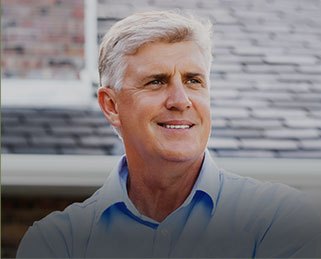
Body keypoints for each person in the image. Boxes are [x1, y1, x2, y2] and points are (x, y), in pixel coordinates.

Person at [17, 10, 321, 258]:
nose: (180, 100)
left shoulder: (281, 222)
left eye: (193, 81)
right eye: (156, 82)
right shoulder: (58, 242)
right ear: (111, 105)